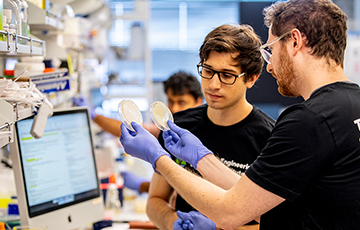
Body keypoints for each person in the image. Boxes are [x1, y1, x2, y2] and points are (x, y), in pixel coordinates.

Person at [119, 0, 360, 229]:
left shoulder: (310, 120)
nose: (270, 65)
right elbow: (253, 196)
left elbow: (231, 212)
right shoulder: (352, 104)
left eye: (271, 50)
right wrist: (201, 158)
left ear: (295, 42)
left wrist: (157, 156)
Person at [145, 24, 274, 230]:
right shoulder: (179, 127)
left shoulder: (271, 138)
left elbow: (279, 222)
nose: (213, 84)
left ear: (251, 78)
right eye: (208, 71)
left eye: (227, 75)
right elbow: (155, 200)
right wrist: (174, 223)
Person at [72, 70, 203, 193]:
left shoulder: (202, 136)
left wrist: (141, 185)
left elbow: (193, 189)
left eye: (182, 102)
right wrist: (94, 116)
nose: (174, 109)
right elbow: (130, 129)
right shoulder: (167, 130)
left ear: (198, 102)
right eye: (170, 101)